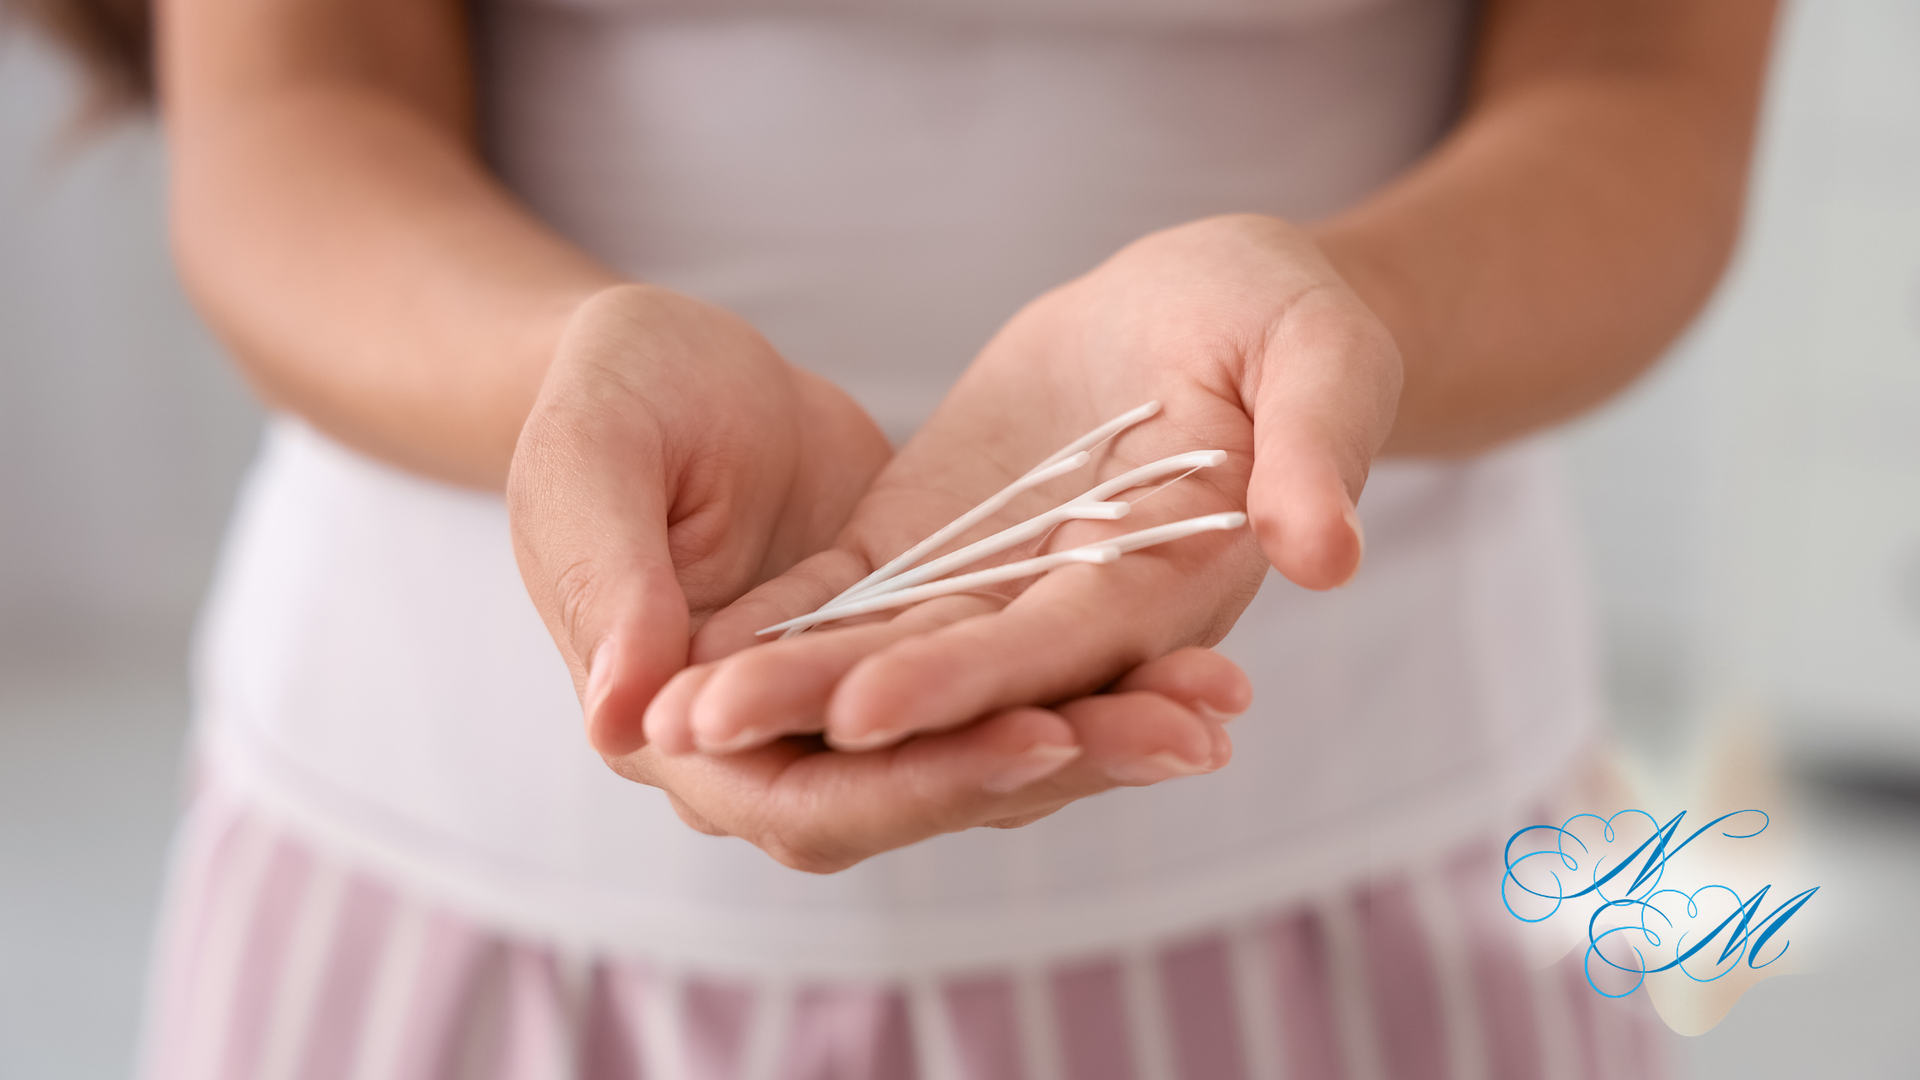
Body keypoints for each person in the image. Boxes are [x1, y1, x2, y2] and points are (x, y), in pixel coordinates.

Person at [21, 0, 1777, 1076]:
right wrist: (561, 375)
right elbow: (290, 114)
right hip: (455, 882)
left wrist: (1342, 313)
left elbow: (1640, 90)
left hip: (1378, 873)